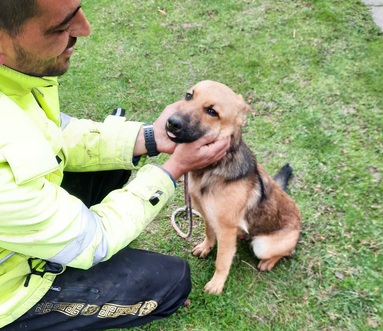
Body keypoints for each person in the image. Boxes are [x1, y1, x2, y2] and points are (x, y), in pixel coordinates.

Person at [0, 0, 230, 330]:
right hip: (9, 292)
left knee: (112, 165)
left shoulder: (12, 77)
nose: (85, 28)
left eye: (79, 8)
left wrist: (149, 138)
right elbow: (92, 241)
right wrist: (172, 169)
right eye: (61, 27)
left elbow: (55, 133)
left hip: (20, 226)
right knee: (173, 282)